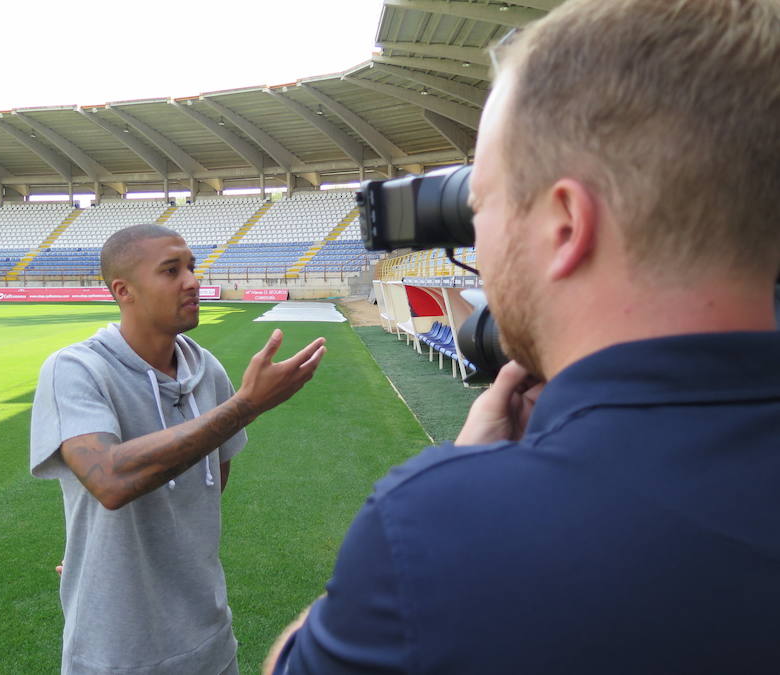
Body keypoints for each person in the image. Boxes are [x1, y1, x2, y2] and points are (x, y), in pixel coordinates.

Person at [266, 0, 780, 672]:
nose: (474, 239)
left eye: (480, 204)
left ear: (564, 224)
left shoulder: (437, 527)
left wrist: (459, 467)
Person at [30, 224, 325, 674]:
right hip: (116, 652)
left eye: (191, 266)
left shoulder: (206, 368)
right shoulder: (76, 369)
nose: (192, 281)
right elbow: (109, 479)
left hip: (210, 641)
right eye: (171, 270)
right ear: (123, 290)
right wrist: (246, 406)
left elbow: (208, 484)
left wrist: (110, 542)